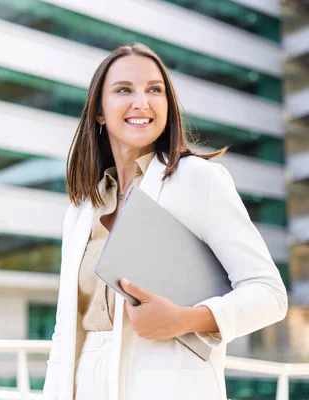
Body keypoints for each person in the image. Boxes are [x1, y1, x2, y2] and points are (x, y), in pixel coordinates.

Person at [42, 43, 288, 400]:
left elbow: (270, 295)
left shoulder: (197, 180)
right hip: (82, 385)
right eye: (124, 89)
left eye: (154, 90)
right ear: (98, 111)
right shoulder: (81, 209)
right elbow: (64, 332)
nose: (141, 102)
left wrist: (186, 318)